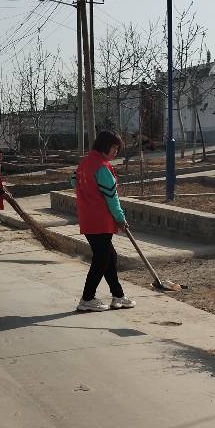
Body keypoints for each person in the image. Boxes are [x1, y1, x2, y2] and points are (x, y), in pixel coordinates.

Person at [71, 130, 136, 312]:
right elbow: (112, 198)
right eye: (114, 147)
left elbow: (73, 181)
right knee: (101, 260)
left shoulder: (84, 163)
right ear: (104, 145)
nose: (116, 152)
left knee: (109, 257)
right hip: (100, 221)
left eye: (117, 148)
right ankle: (87, 298)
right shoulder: (102, 167)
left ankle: (118, 296)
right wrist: (120, 218)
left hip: (87, 219)